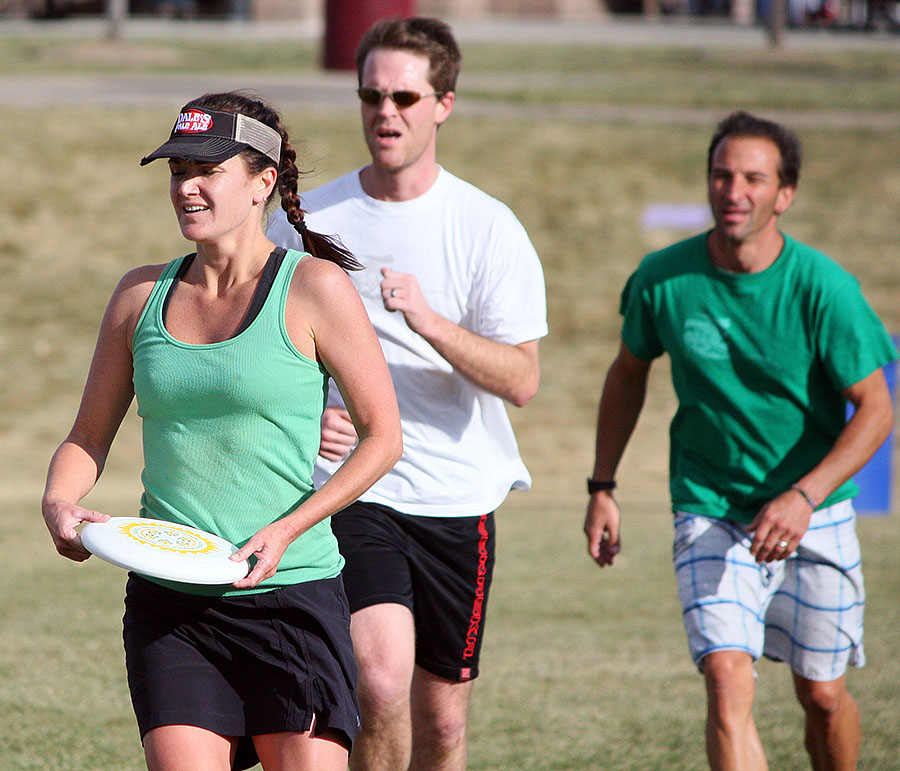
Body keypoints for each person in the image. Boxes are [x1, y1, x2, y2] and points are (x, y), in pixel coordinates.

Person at [41, 91, 402, 771]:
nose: (188, 186)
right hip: (171, 604)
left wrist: (289, 528)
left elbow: (383, 436)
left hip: (289, 593)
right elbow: (87, 438)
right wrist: (59, 501)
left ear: (263, 181)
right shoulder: (138, 297)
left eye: (208, 170)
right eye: (178, 170)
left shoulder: (314, 288)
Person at [267, 16, 547, 771]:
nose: (385, 112)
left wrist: (428, 321)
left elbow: (522, 379)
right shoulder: (305, 222)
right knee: (379, 681)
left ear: (443, 105)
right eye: (371, 95)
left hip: (457, 496)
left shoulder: (487, 227)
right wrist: (305, 415)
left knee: (443, 724)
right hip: (356, 490)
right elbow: (262, 351)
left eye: (404, 97)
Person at [583, 111, 896, 770]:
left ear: (784, 195)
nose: (734, 190)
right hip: (710, 508)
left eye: (754, 178)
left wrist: (804, 496)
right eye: (722, 175)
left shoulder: (823, 288)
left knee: (824, 695)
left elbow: (875, 409)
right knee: (728, 682)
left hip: (817, 512)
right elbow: (627, 372)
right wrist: (602, 485)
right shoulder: (664, 279)